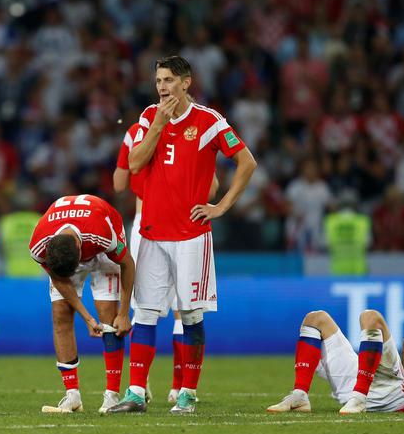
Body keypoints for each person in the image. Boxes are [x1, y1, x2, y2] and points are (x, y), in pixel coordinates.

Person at [108, 56, 257, 414]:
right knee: (144, 312)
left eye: (169, 80)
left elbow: (247, 162)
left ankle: (188, 392)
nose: (162, 86)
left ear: (186, 83)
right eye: (158, 80)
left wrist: (220, 206)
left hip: (191, 234)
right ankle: (135, 392)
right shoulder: (148, 116)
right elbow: (134, 165)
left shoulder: (208, 121)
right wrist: (158, 125)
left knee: (190, 314)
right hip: (153, 232)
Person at [113, 122, 219, 403]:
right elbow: (213, 187)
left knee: (144, 309)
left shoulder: (135, 131)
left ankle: (141, 383)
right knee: (180, 310)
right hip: (180, 223)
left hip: (143, 222)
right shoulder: (194, 135)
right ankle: (177, 387)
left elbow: (119, 183)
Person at [28, 194, 134, 414]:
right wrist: (86, 317)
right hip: (70, 245)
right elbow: (59, 279)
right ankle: (72, 396)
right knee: (60, 315)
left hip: (103, 246)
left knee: (109, 318)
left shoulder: (101, 234)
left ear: (79, 247)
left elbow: (127, 264)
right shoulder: (39, 247)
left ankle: (112, 396)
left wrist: (123, 313)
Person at [267, 309, 404, 414]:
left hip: (392, 391)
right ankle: (300, 396)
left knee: (370, 317)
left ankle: (359, 398)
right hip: (365, 381)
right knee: (315, 319)